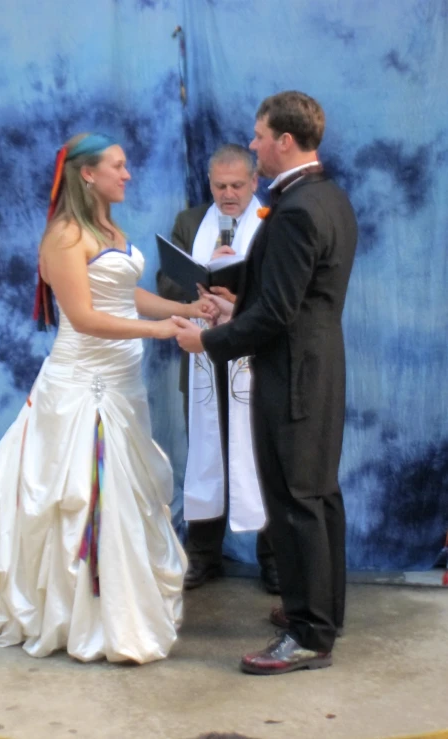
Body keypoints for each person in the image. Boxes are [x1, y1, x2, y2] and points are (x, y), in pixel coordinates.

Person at [0, 132, 215, 664]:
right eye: (118, 166)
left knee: (122, 496)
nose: (128, 174)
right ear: (87, 174)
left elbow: (123, 293)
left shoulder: (108, 227)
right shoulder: (65, 236)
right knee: (82, 498)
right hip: (82, 386)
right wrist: (157, 333)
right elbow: (84, 317)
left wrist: (182, 311)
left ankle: (119, 601)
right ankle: (82, 615)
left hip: (122, 382)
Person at [173, 91, 358, 675]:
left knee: (297, 502)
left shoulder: (299, 208)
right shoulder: (327, 196)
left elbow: (277, 314)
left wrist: (209, 339)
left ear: (283, 140)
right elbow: (292, 302)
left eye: (258, 136)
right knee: (320, 495)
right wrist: (238, 307)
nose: (252, 145)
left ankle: (308, 636)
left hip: (292, 377)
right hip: (319, 366)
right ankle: (322, 611)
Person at [157, 144, 280, 594]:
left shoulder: (273, 220)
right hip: (204, 356)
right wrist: (200, 290)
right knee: (206, 453)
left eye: (236, 185)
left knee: (262, 459)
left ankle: (273, 559)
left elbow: (281, 287)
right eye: (219, 186)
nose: (228, 195)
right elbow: (165, 281)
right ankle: (205, 555)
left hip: (256, 363)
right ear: (209, 184)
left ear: (254, 182)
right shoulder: (190, 223)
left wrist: (237, 291)